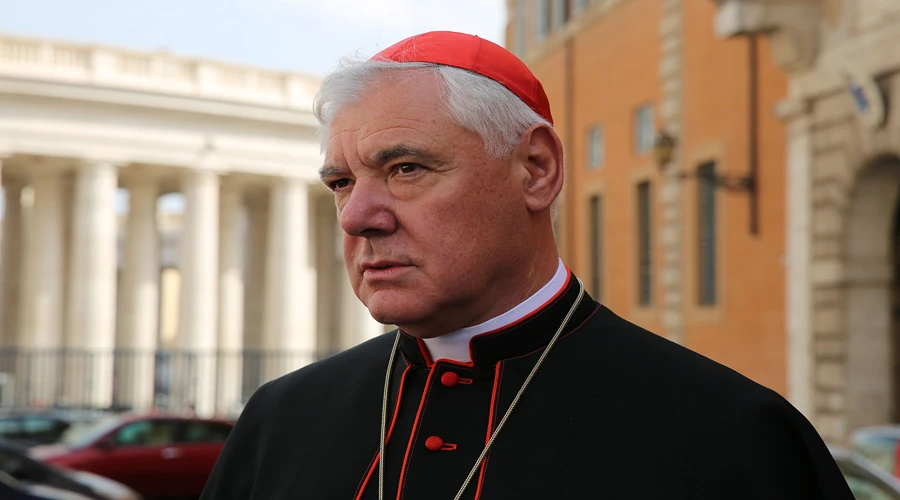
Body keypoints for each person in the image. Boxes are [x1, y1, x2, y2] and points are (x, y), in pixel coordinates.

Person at [201, 31, 853, 499]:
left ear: (536, 170)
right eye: (341, 182)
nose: (356, 216)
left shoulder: (732, 437)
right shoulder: (279, 420)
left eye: (405, 169)